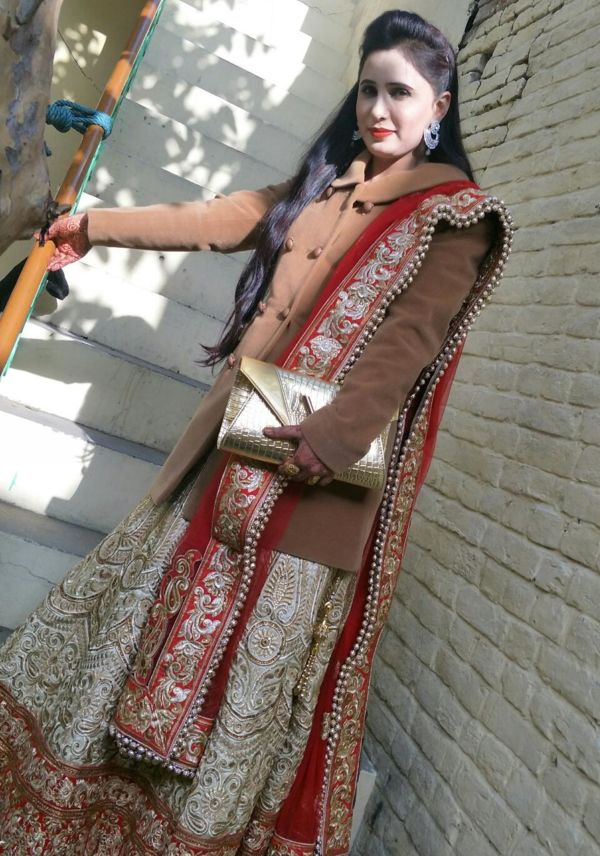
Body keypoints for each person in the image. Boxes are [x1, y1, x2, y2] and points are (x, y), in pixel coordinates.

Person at [0, 10, 512, 855]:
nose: (378, 109)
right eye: (368, 90)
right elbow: (223, 215)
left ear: (440, 106)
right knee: (150, 632)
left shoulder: (453, 216)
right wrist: (94, 226)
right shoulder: (328, 184)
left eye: (400, 93)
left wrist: (330, 443)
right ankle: (89, 814)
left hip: (309, 478)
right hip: (233, 442)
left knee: (236, 680)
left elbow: (409, 342)